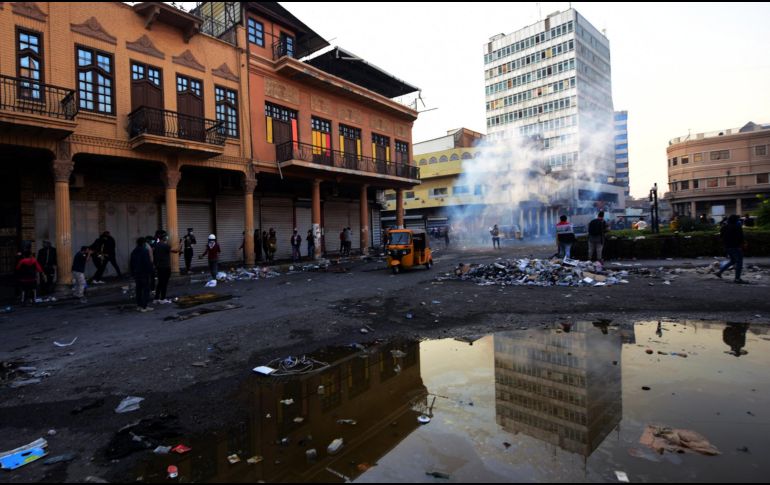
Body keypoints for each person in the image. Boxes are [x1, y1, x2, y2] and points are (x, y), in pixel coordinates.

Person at [715, 214, 747, 284]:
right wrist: (743, 244)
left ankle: (719, 272)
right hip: (736, 247)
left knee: (732, 261)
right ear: (736, 220)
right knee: (739, 262)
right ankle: (737, 279)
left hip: (727, 247)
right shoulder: (737, 227)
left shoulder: (724, 227)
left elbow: (721, 237)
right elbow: (741, 238)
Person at [130, 237, 154, 312]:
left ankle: (139, 305)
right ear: (144, 243)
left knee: (139, 290)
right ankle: (144, 306)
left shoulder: (134, 251)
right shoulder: (145, 251)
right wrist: (151, 271)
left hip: (137, 273)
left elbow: (131, 263)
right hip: (144, 273)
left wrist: (133, 273)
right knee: (146, 290)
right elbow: (147, 263)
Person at [153, 235, 172, 304]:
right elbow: (176, 251)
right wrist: (180, 244)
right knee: (164, 283)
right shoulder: (165, 246)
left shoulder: (156, 245)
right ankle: (162, 298)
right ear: (164, 238)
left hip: (159, 266)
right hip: (165, 266)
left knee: (160, 282)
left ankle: (156, 298)